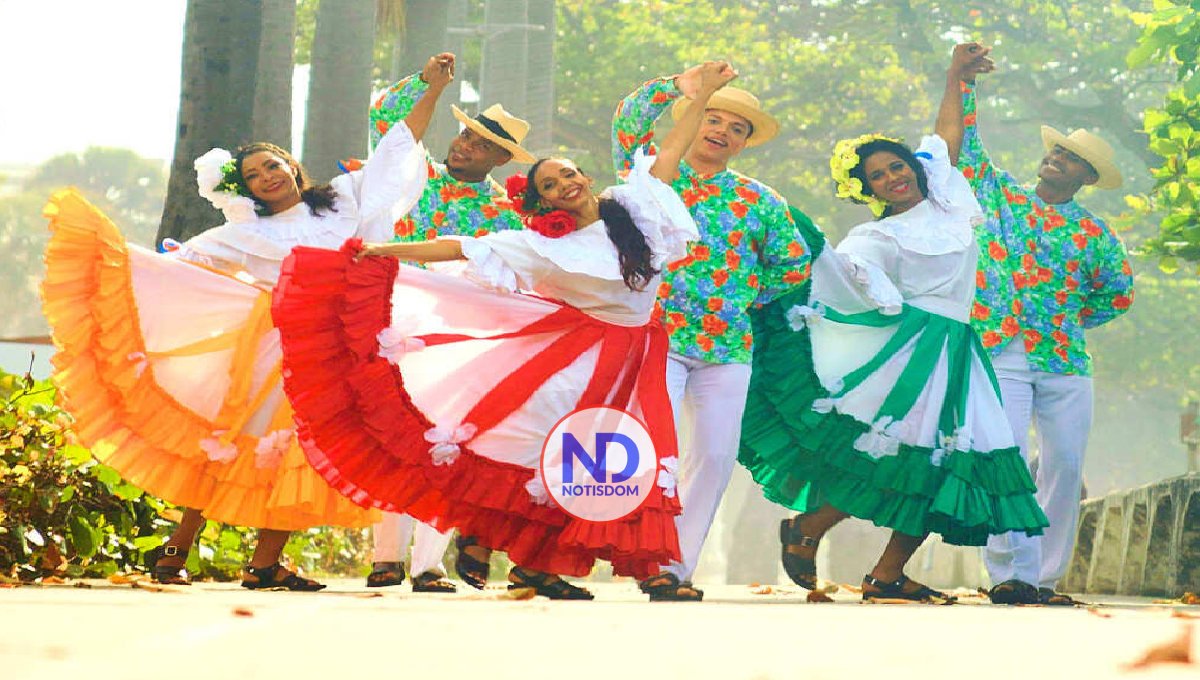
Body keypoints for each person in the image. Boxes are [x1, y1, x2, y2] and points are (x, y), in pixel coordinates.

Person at [271, 62, 738, 600]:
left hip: (638, 358)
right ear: (543, 202)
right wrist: (378, 251)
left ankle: (576, 566)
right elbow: (457, 248)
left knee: (639, 456)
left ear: (584, 178)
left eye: (568, 174)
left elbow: (672, 148)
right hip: (579, 357)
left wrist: (702, 95)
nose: (565, 183)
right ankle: (525, 553)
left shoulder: (634, 209)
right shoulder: (544, 245)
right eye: (549, 184)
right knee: (552, 454)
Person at [41, 97, 429, 590]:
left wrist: (431, 91)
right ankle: (175, 550)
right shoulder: (246, 232)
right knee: (230, 444)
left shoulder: (342, 202)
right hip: (274, 349)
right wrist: (132, 266)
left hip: (334, 350)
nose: (267, 176)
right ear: (244, 189)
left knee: (303, 451)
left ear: (291, 166)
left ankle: (265, 563)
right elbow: (186, 267)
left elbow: (395, 154)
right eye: (252, 175)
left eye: (271, 165)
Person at [738, 129, 1049, 602]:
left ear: (914, 165)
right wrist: (807, 240)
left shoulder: (949, 204)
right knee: (905, 460)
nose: (891, 178)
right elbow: (843, 277)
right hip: (911, 355)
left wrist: (957, 74)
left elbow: (947, 137)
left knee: (946, 467)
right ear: (869, 190)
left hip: (959, 350)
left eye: (896, 166)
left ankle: (883, 572)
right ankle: (811, 527)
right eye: (876, 176)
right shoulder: (877, 235)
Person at [935, 43, 1135, 606]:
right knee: (1004, 457)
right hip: (1004, 352)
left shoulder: (1096, 235)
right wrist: (961, 81)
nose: (1056, 160)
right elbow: (960, 147)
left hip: (1066, 361)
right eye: (1055, 152)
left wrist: (1067, 319)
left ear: (1087, 176)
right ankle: (1010, 575)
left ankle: (1045, 577)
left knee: (1064, 465)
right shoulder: (1000, 197)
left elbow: (1118, 294)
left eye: (1070, 159)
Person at [612, 63, 813, 601]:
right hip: (658, 337)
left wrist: (744, 297)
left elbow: (793, 265)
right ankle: (639, 552)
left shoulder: (760, 200)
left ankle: (675, 569)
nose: (721, 131)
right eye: (713, 117)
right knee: (653, 450)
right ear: (694, 120)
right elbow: (628, 122)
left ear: (744, 144)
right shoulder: (653, 176)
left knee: (716, 457)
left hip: (728, 348)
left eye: (737, 127)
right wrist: (680, 85)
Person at [361, 52, 535, 593]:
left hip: (460, 335)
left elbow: (514, 280)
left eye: (482, 144)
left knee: (446, 442)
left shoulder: (507, 216)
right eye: (464, 135)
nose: (465, 145)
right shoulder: (416, 176)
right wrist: (429, 86)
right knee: (394, 438)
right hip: (392, 320)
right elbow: (385, 122)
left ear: (501, 158)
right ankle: (385, 558)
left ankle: (428, 564)